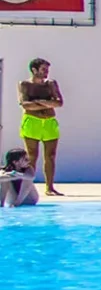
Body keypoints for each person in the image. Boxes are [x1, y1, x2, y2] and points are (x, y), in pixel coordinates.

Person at [18, 57, 62, 196]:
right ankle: (27, 187)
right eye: (43, 69)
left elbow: (59, 103)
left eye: (47, 70)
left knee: (51, 155)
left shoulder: (51, 84)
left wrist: (38, 102)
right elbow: (25, 104)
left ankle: (49, 187)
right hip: (32, 121)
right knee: (31, 156)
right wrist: (48, 103)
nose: (46, 72)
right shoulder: (24, 84)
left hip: (49, 122)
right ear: (34, 70)